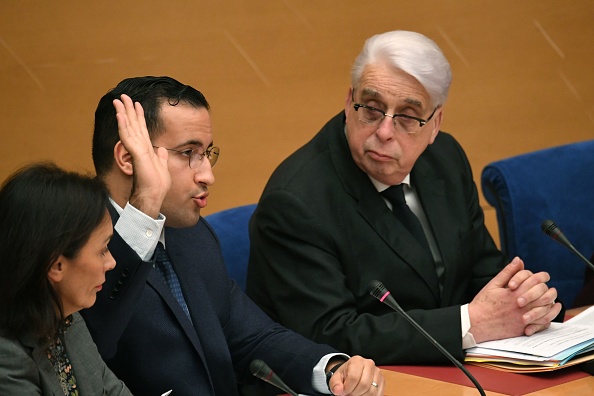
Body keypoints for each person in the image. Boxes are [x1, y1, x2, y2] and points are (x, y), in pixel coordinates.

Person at [246, 30, 563, 365]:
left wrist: (523, 302)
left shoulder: (445, 159)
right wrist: (469, 324)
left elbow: (481, 271)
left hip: (455, 371)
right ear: (348, 101)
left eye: (408, 117)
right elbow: (328, 334)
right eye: (371, 109)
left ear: (435, 123)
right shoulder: (296, 202)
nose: (384, 131)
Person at [81, 76, 384, 396]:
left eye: (206, 153)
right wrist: (144, 207)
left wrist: (331, 368)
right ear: (128, 158)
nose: (208, 175)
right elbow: (96, 341)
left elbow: (250, 338)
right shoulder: (71, 248)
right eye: (188, 153)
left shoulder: (192, 235)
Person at [0, 163, 132, 395]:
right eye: (102, 250)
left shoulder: (69, 321)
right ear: (56, 265)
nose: (111, 263)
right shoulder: (6, 358)